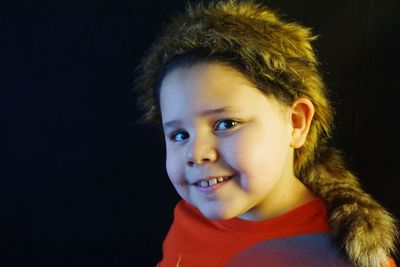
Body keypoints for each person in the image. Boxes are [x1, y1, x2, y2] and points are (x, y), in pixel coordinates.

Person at [134, 1, 398, 266]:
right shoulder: (190, 218)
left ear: (296, 123)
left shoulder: (343, 257)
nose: (196, 153)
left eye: (226, 124)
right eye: (180, 135)